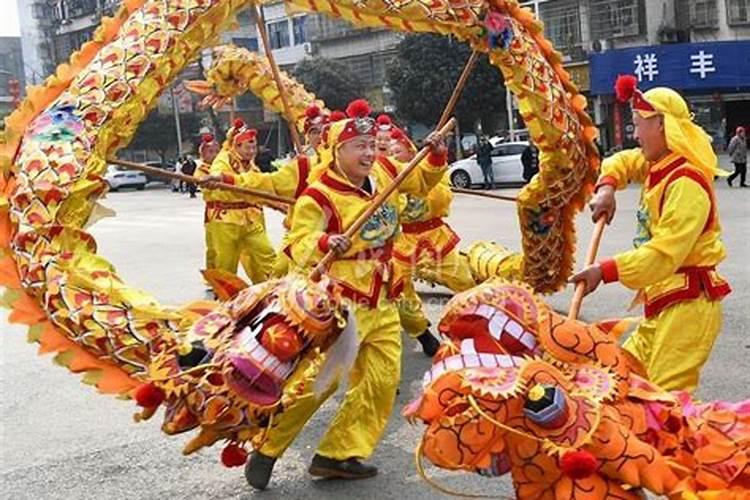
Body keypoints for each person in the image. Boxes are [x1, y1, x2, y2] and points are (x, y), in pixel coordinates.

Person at [244, 99, 448, 489]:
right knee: (323, 383)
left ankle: (338, 454)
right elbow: (296, 242)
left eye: (372, 145)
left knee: (381, 380)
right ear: (338, 151)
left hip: (383, 295)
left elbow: (421, 182)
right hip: (341, 302)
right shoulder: (318, 196)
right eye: (360, 147)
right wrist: (323, 242)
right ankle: (268, 449)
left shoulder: (387, 171)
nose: (370, 153)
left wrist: (435, 155)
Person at [570, 76, 731, 394]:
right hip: (664, 304)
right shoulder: (661, 164)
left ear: (661, 126)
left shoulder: (685, 182)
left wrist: (604, 270)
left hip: (687, 307)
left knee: (665, 405)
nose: (634, 133)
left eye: (638, 124)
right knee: (621, 379)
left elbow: (663, 255)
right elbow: (623, 160)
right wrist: (607, 187)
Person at [390, 127, 475, 356]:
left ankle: (476, 326)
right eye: (389, 152)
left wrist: (427, 180)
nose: (393, 156)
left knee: (463, 280)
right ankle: (422, 333)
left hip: (436, 237)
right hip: (404, 242)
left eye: (397, 151)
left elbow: (442, 199)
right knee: (399, 291)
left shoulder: (429, 174)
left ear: (410, 151)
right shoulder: (388, 181)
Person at [202, 119, 278, 284]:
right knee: (226, 263)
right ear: (236, 146)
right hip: (225, 218)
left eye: (254, 147)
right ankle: (224, 297)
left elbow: (258, 185)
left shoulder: (250, 164)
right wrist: (219, 180)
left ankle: (272, 289)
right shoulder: (223, 160)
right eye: (248, 147)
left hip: (250, 217)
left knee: (267, 253)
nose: (252, 151)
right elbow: (217, 177)